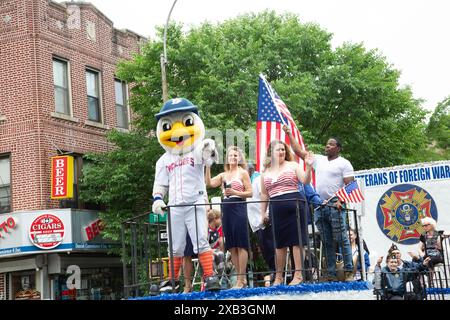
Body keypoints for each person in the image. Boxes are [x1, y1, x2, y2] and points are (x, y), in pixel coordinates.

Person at [284, 125, 355, 282]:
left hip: (336, 204)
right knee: (326, 240)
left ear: (338, 148)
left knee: (342, 238)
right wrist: (289, 133)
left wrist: (341, 201)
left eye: (330, 144)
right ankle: (330, 273)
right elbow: (298, 151)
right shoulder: (319, 160)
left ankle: (349, 270)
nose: (327, 146)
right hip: (320, 205)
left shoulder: (344, 163)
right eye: (326, 144)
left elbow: (350, 186)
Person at [260, 140, 313, 286]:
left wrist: (308, 167)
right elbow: (264, 195)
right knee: (279, 244)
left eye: (283, 149)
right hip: (276, 209)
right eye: (278, 150)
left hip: (295, 206)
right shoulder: (265, 172)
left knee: (297, 241)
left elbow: (305, 180)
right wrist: (263, 213)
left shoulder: (293, 165)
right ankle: (278, 277)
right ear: (271, 153)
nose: (281, 152)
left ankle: (298, 275)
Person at [205, 146, 253, 289]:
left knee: (241, 243)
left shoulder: (243, 172)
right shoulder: (223, 175)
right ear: (227, 158)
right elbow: (209, 183)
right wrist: (207, 167)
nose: (233, 157)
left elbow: (250, 193)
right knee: (232, 245)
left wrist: (235, 192)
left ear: (239, 158)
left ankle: (241, 278)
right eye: (230, 155)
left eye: (235, 155)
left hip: (239, 207)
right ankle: (239, 279)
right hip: (226, 209)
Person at [246, 163, 276, 285]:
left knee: (270, 248)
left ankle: (276, 272)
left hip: (265, 220)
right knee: (265, 249)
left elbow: (267, 196)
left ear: (251, 170)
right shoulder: (247, 182)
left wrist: (267, 214)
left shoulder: (258, 179)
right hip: (256, 223)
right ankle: (274, 271)